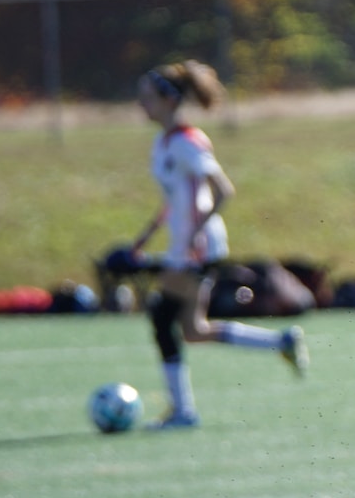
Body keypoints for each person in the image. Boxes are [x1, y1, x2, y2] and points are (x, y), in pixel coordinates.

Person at [129, 61, 306, 428]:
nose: (141, 103)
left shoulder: (185, 142)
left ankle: (183, 412)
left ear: (167, 99)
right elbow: (175, 197)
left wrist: (196, 233)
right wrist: (147, 234)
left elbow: (222, 190)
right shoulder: (163, 143)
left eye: (147, 96)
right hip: (185, 244)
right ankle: (280, 342)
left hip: (197, 248)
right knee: (193, 331)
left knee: (163, 316)